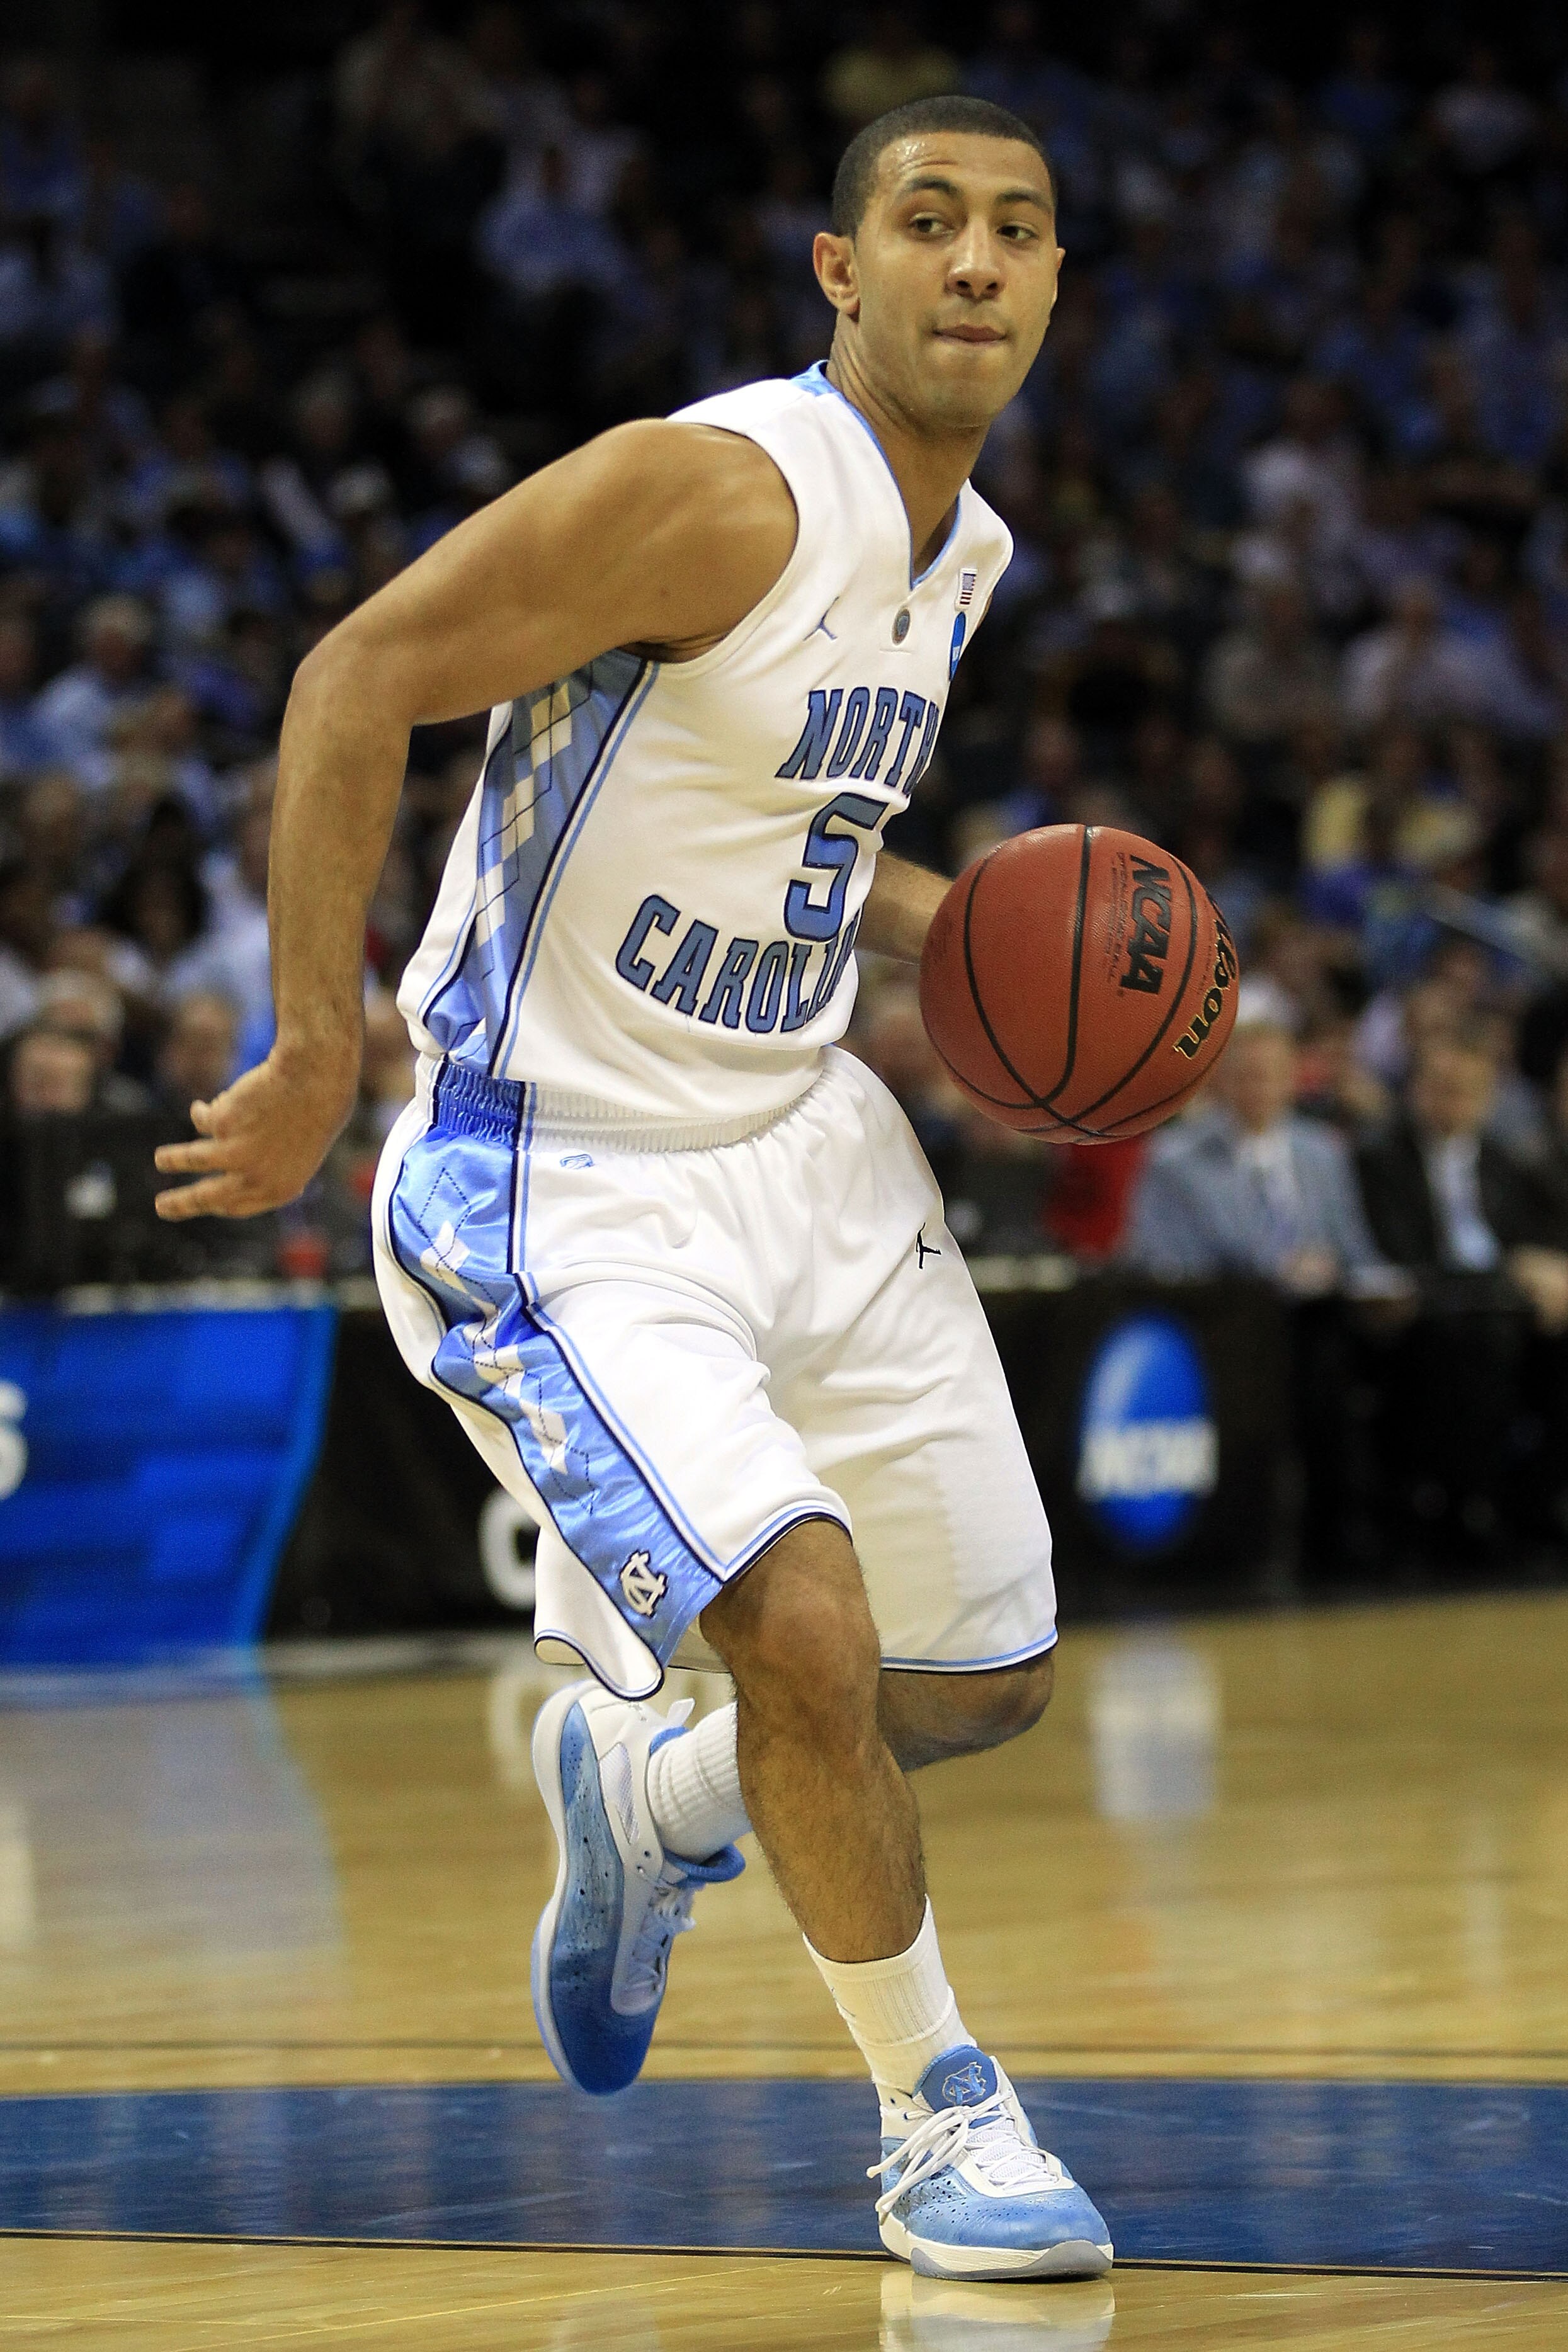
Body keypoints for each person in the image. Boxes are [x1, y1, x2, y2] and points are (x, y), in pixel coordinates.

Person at [152, 96, 1113, 2281]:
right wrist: (320, 1044)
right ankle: (939, 2121)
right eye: (927, 222)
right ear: (835, 271)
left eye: (1019, 232)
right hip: (562, 1171)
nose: (974, 261)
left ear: (1057, 291)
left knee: (981, 1686)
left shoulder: (956, 555)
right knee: (802, 1625)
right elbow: (356, 676)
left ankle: (650, 1798)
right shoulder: (717, 488)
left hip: (807, 1142)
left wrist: (1007, 965)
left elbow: (813, 842)